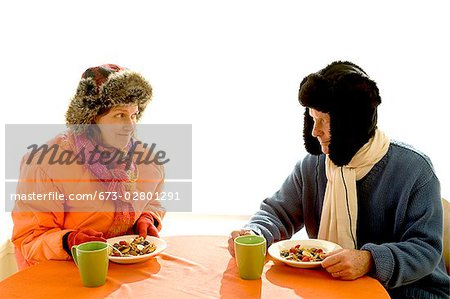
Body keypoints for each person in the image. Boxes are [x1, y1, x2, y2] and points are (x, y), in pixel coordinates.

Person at [228, 61, 449, 298]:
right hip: (337, 289)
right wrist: (256, 232)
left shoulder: (415, 170)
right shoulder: (312, 166)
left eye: (323, 120)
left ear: (351, 123)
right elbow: (276, 212)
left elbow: (426, 249)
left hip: (411, 293)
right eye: (312, 119)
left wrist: (370, 260)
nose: (315, 131)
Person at [12, 64, 165, 269]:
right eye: (119, 115)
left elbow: (152, 202)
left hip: (125, 273)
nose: (130, 126)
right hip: (68, 274)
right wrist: (70, 241)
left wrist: (148, 219)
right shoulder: (45, 163)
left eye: (134, 115)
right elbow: (29, 239)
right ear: (91, 117)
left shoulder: (146, 159)